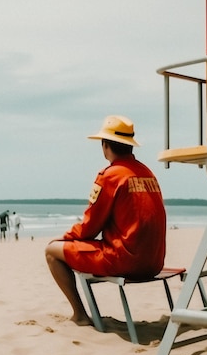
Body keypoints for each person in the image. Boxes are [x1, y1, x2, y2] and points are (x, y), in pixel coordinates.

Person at [45, 115, 166, 326]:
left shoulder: (110, 175)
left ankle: (81, 315)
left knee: (51, 251)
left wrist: (64, 238)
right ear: (130, 146)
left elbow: (90, 226)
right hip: (154, 262)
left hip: (126, 260)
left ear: (105, 145)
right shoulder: (147, 173)